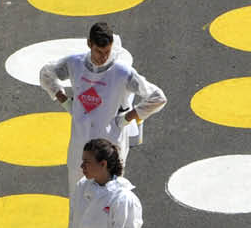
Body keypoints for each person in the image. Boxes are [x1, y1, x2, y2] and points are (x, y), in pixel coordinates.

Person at [39, 21, 166, 194]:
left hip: (110, 147)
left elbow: (157, 97)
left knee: (111, 201)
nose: (103, 57)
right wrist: (64, 100)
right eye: (99, 52)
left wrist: (127, 118)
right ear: (89, 44)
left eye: (107, 52)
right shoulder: (74, 64)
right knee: (78, 202)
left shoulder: (122, 72)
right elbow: (46, 73)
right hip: (79, 147)